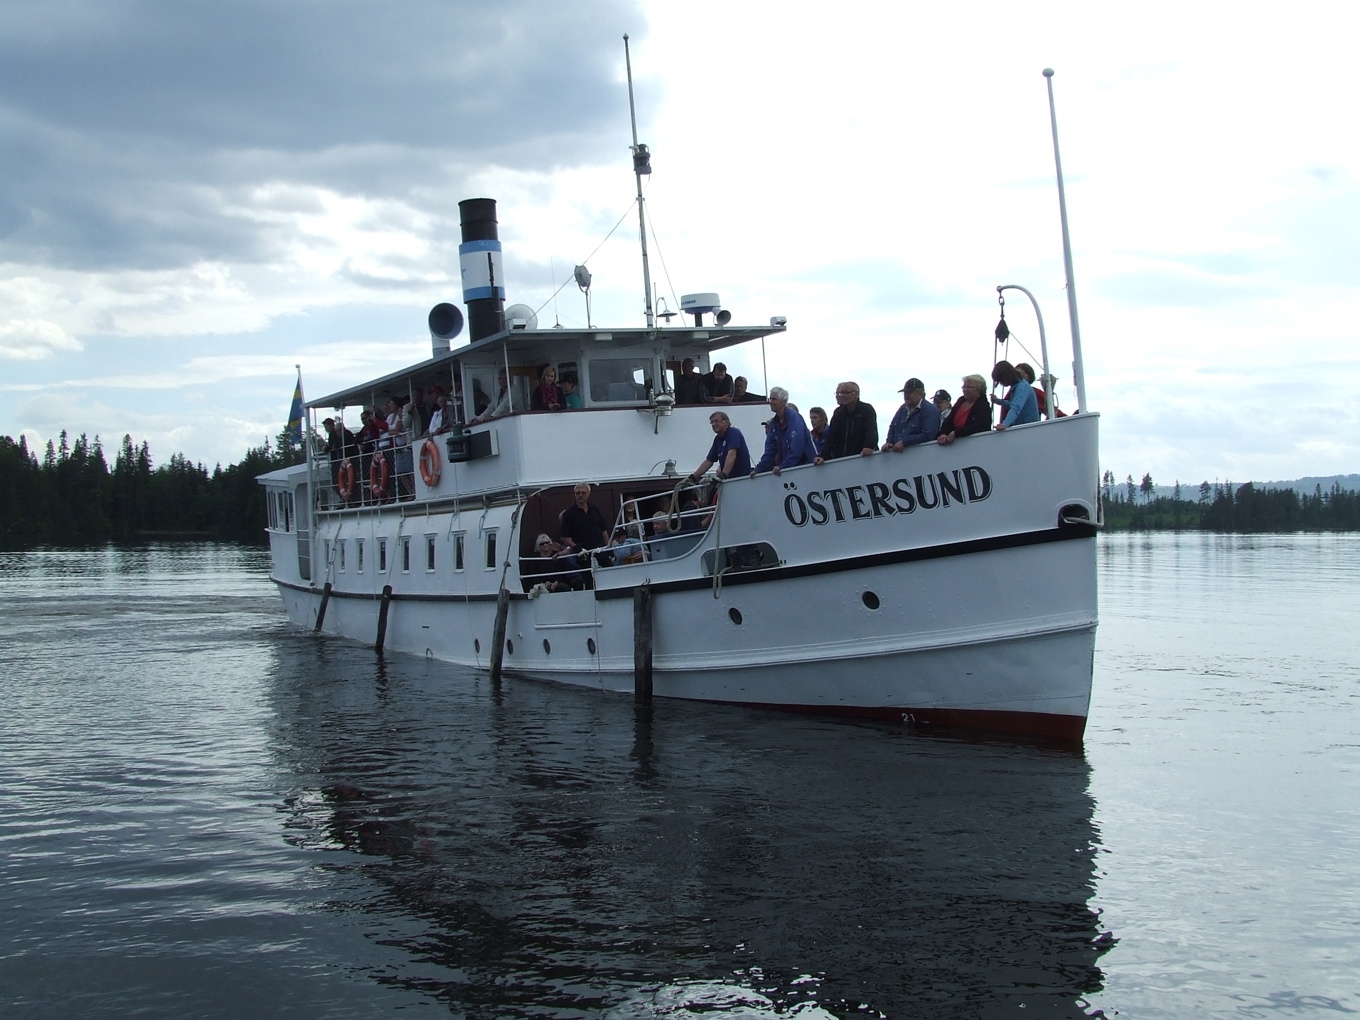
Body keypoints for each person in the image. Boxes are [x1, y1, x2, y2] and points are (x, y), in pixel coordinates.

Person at [752, 386, 813, 475]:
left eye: (774, 399)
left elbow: (797, 446)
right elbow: (770, 450)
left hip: (805, 467)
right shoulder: (774, 423)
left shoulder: (794, 418)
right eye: (770, 399)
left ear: (784, 401)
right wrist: (758, 470)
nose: (770, 402)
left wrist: (784, 466)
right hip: (789, 469)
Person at [816, 381, 878, 462]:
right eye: (840, 393)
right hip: (842, 459)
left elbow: (871, 431)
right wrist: (822, 455)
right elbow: (831, 436)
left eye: (846, 393)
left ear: (856, 394)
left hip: (863, 458)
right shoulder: (838, 412)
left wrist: (869, 446)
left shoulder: (866, 409)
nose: (842, 396)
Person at [687, 411, 752, 483]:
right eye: (712, 422)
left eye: (716, 421)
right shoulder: (717, 439)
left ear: (726, 422)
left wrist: (723, 475)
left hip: (740, 480)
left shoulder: (733, 432)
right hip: (729, 481)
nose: (713, 424)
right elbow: (708, 461)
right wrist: (692, 478)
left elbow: (732, 454)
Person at [882, 378, 940, 452]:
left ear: (920, 393)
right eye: (905, 393)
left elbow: (928, 435)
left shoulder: (930, 410)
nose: (906, 395)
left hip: (921, 457)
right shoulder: (902, 409)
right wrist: (889, 442)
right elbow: (893, 427)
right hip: (900, 458)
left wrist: (905, 442)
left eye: (909, 392)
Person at [559, 483, 612, 561]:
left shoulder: (595, 509)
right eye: (578, 493)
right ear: (575, 494)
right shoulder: (569, 513)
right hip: (584, 554)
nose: (580, 495)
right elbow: (564, 536)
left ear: (588, 494)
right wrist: (576, 547)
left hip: (601, 550)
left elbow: (604, 531)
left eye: (583, 493)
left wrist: (609, 549)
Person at [937, 374, 993, 445]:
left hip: (976, 444)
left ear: (979, 389)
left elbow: (979, 427)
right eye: (964, 387)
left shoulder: (983, 405)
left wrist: (956, 433)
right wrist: (943, 433)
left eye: (969, 387)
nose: (965, 389)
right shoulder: (961, 401)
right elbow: (949, 421)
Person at [993, 360, 1039, 430]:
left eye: (1001, 380)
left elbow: (1016, 407)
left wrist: (1005, 424)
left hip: (1029, 429)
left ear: (1006, 377)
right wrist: (998, 401)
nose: (1001, 384)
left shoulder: (1022, 386)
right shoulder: (1017, 386)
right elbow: (1013, 404)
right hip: (1023, 428)